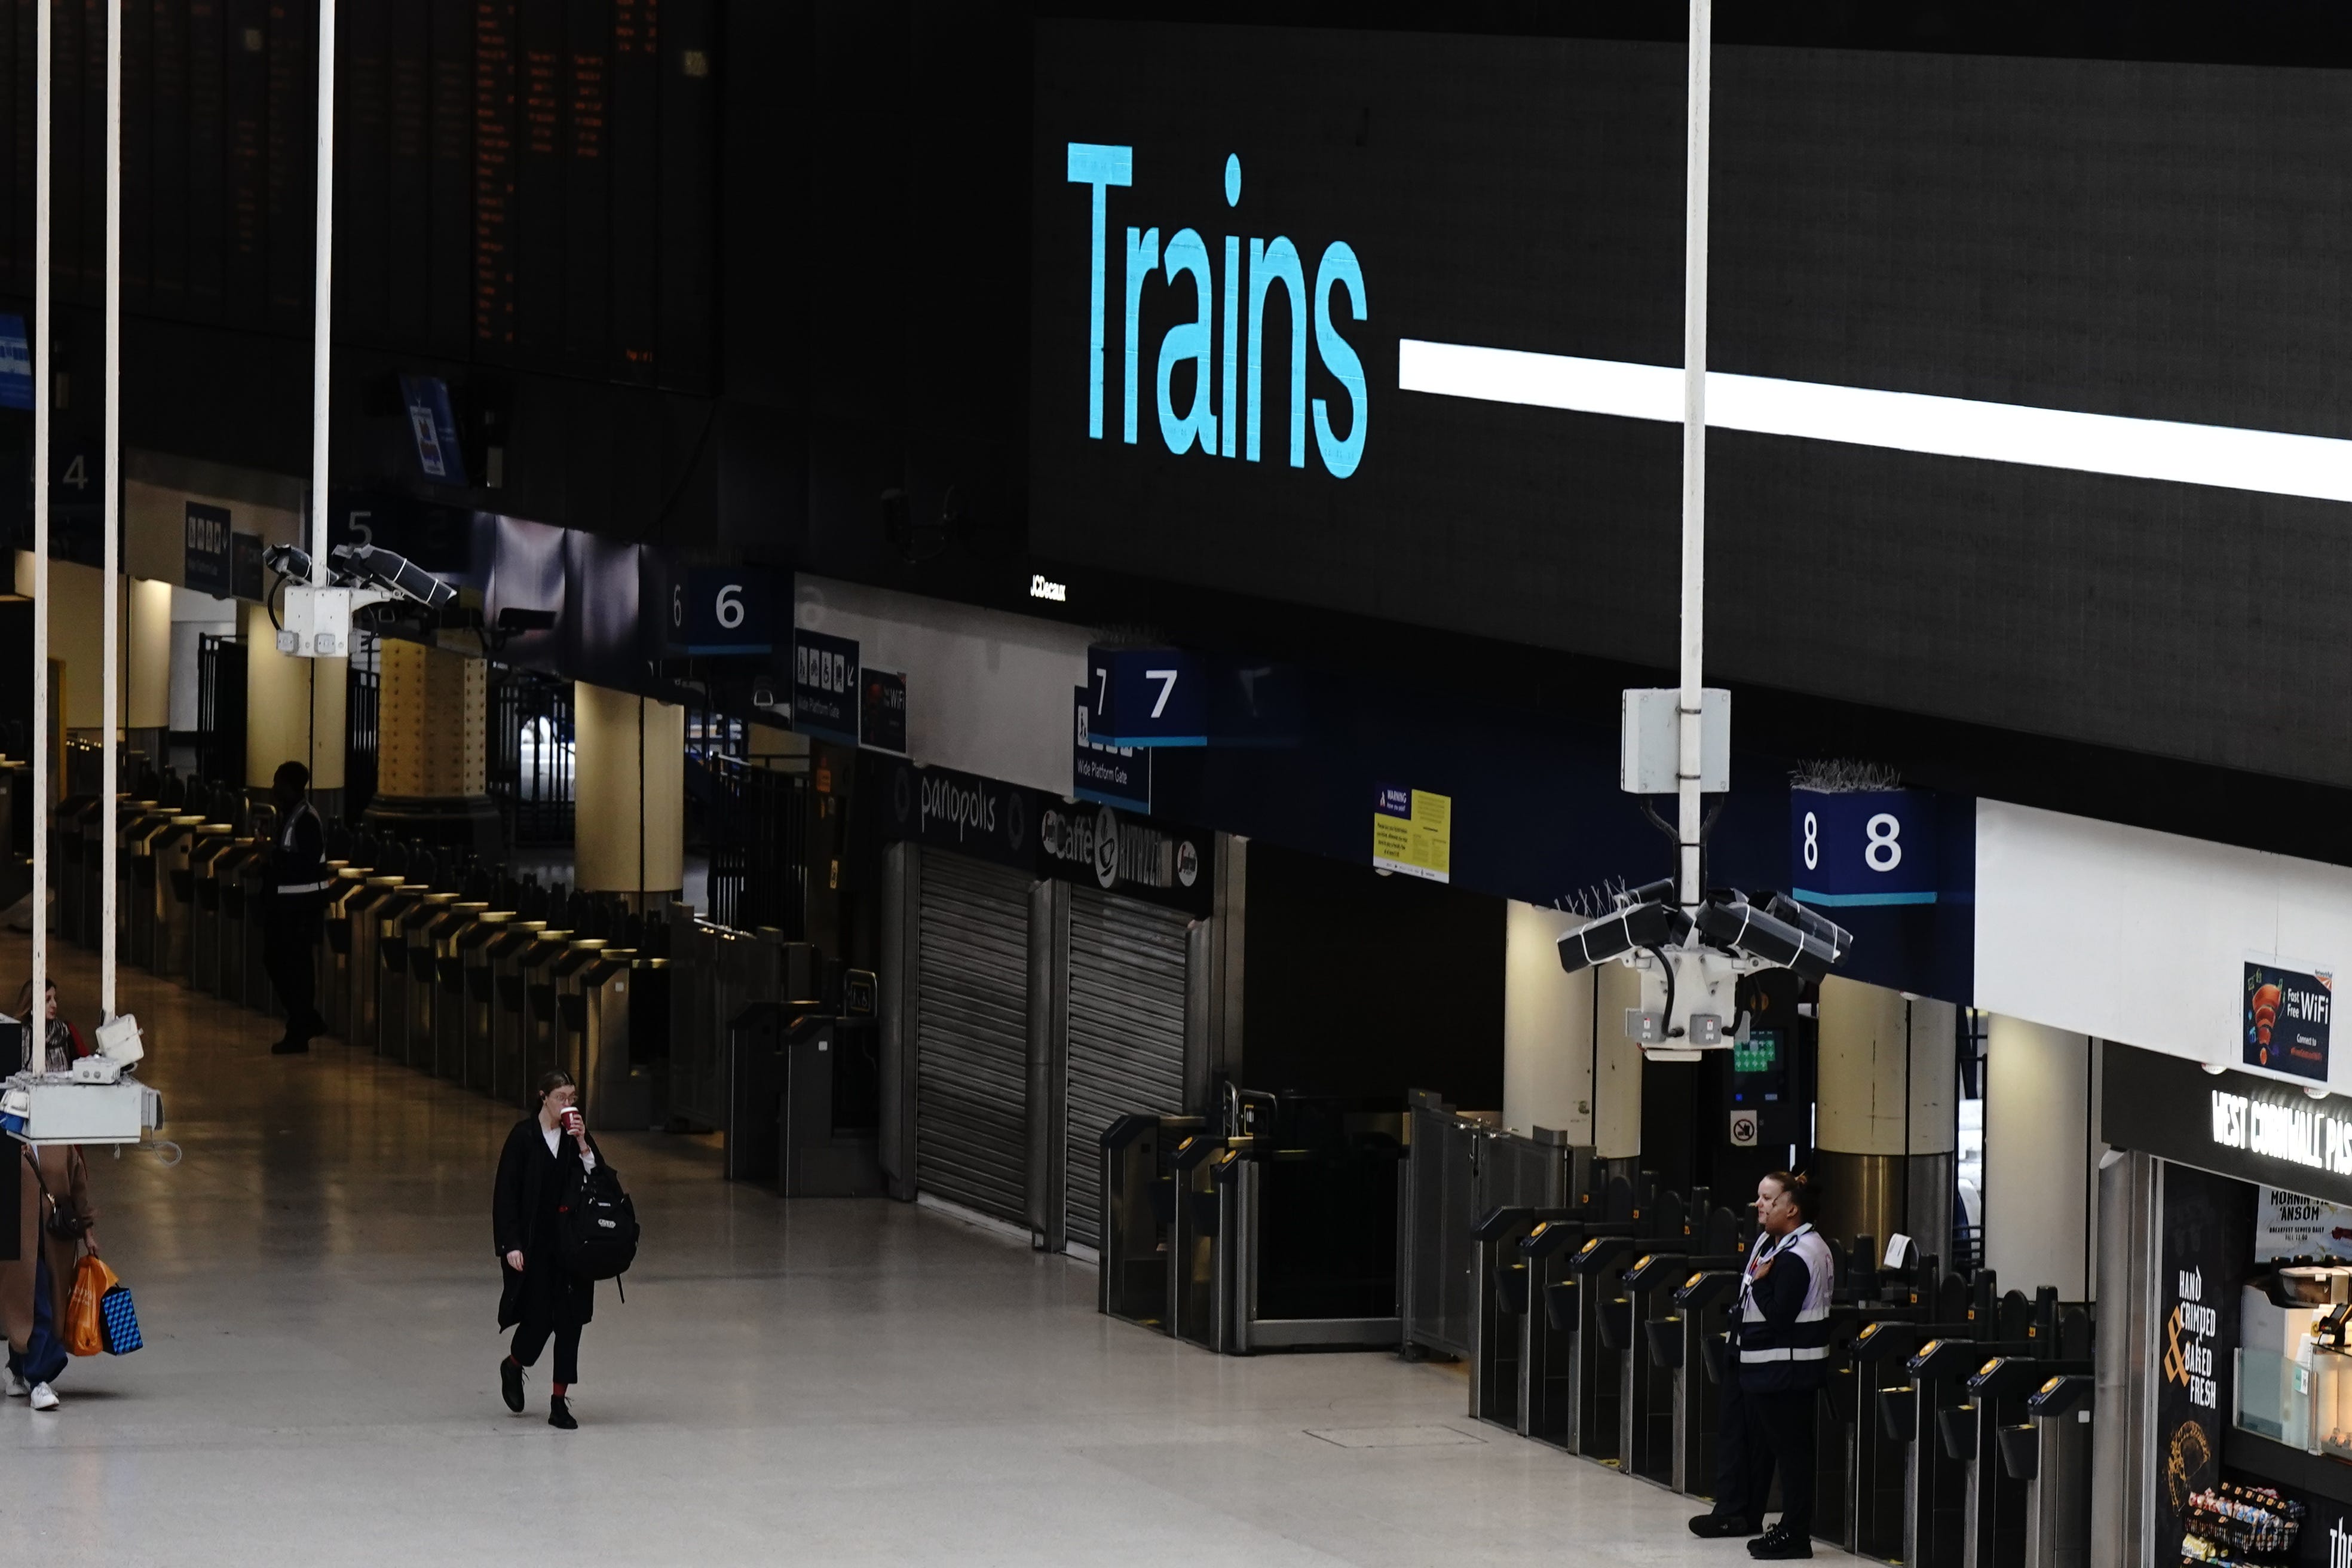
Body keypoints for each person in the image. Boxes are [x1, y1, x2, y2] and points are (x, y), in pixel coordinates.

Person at [1688, 1171, 1835, 1560]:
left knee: (1792, 1455)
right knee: (1760, 1444)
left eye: (1769, 1199)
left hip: (1786, 1369)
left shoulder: (1798, 1255)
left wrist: (1764, 1283)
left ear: (1792, 1209)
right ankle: (1747, 1515)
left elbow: (1781, 1315)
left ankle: (1793, 1532)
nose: (1760, 1205)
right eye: (1759, 1197)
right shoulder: (1773, 1244)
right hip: (1763, 1364)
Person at [492, 1070, 604, 1430]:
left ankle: (559, 1400)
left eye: (573, 1098)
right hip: (536, 1247)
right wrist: (511, 1244)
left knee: (570, 1322)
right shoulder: (523, 1138)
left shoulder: (576, 1140)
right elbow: (506, 1196)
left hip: (573, 1249)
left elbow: (599, 1180)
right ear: (543, 1097)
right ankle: (514, 1364)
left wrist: (584, 1143)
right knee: (539, 1320)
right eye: (562, 1098)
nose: (568, 1105)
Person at [262, 760, 330, 1055]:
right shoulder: (290, 816)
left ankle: (300, 1028)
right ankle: (306, 1019)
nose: (274, 788)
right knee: (278, 961)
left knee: (295, 967)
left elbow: (305, 864)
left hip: (301, 908)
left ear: (291, 787)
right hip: (286, 906)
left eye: (279, 782)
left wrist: (273, 857)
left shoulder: (306, 820)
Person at [13, 979, 89, 1073]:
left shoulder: (66, 1030)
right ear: (32, 1004)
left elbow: (87, 1063)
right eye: (48, 1000)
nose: (54, 1005)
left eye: (55, 999)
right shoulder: (19, 1035)